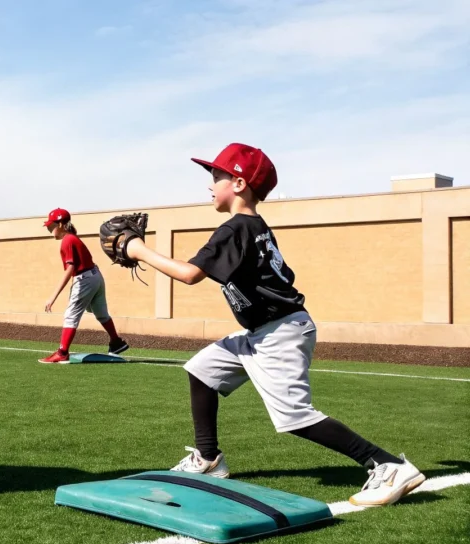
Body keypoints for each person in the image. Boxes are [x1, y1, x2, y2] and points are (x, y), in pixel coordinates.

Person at [120, 143, 424, 506]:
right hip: (263, 331)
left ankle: (387, 464)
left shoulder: (235, 229)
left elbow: (189, 274)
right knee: (202, 369)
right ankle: (208, 458)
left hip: (280, 332)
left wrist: (137, 249)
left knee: (294, 417)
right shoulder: (254, 226)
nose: (209, 184)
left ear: (238, 183)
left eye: (216, 176)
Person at [39, 208, 130, 364]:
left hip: (85, 279)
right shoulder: (72, 238)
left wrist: (53, 297)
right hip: (95, 276)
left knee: (70, 315)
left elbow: (70, 269)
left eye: (51, 225)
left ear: (60, 224)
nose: (49, 228)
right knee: (101, 313)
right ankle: (116, 342)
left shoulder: (67, 240)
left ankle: (62, 352)